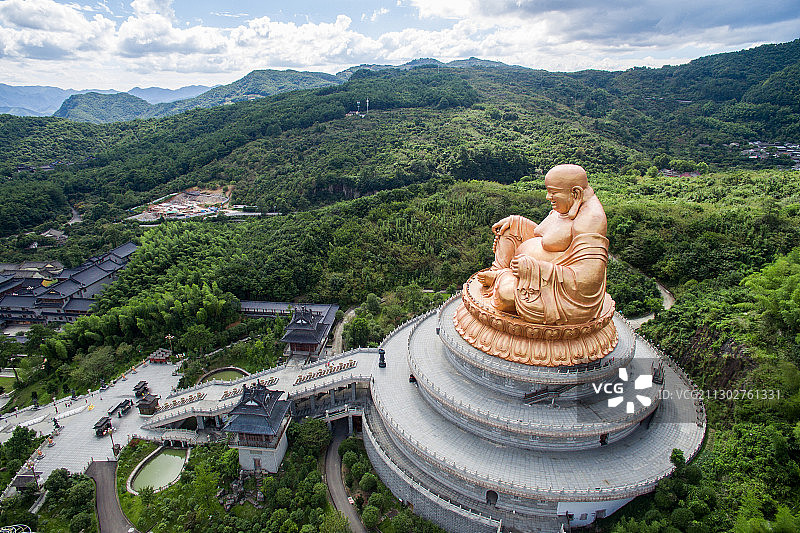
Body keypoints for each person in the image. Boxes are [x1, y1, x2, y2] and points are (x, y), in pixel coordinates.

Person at [477, 164, 609, 325]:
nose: (548, 197)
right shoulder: (568, 205)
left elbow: (587, 282)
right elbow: (545, 236)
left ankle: (501, 277)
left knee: (506, 296)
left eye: (553, 192)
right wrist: (518, 223)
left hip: (553, 289)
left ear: (575, 193)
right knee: (510, 228)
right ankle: (501, 273)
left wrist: (533, 269)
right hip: (526, 268)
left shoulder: (591, 220)